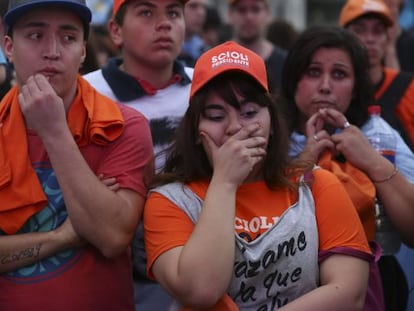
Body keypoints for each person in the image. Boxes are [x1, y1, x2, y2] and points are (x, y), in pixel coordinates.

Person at [143, 40, 372, 310]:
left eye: (250, 113)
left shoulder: (316, 185)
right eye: (216, 116)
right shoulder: (169, 201)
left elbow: (349, 292)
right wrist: (225, 182)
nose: (235, 128)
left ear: (272, 123)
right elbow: (200, 291)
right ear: (195, 131)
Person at [0, 0, 154, 309]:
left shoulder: (124, 126)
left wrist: (54, 131)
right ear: (8, 47)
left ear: (83, 51)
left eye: (68, 37)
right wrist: (64, 236)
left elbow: (111, 238)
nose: (53, 51)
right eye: (35, 35)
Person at [280, 25, 414, 311]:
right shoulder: (269, 134)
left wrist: (370, 160)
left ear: (355, 89)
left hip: (377, 286)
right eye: (313, 72)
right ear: (293, 82)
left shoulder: (377, 133)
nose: (325, 86)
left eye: (339, 74)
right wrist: (302, 163)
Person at [83, 0, 193, 310]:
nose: (164, 24)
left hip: (199, 267)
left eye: (173, 13)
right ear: (115, 31)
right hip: (113, 276)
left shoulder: (207, 87)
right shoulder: (87, 94)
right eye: (146, 12)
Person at [339, 1, 414, 309]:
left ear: (388, 38)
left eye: (377, 32)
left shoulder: (408, 89)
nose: (369, 39)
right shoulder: (328, 99)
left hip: (397, 243)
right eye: (360, 30)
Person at [227, 0, 286, 93]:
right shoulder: (214, 61)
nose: (249, 17)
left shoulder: (285, 64)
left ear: (268, 14)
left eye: (256, 9)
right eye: (241, 10)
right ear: (230, 15)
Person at [178, 0, 208, 67]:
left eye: (203, 7)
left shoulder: (206, 52)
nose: (201, 13)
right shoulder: (163, 50)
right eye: (193, 6)